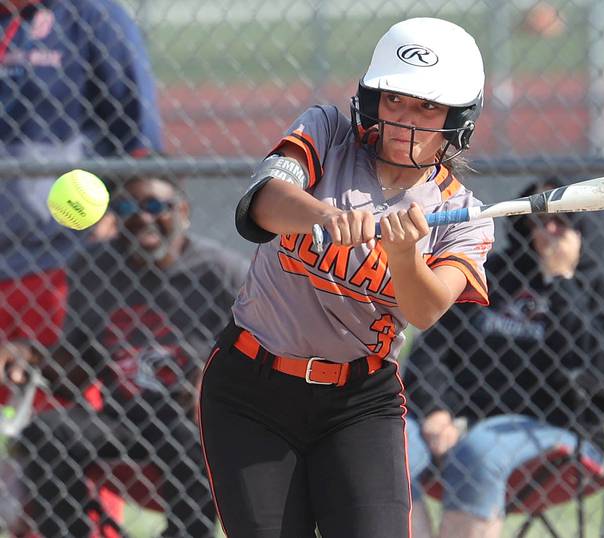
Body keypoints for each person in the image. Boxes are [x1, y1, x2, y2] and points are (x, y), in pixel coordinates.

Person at [198, 17, 494, 538]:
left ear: (458, 120)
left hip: (360, 403)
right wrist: (325, 219)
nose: (405, 119)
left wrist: (404, 256)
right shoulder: (328, 132)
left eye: (427, 107)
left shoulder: (464, 217)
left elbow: (425, 312)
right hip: (251, 390)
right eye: (394, 99)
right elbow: (262, 203)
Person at [403, 179, 604, 538]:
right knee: (392, 444)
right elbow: (434, 349)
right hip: (463, 420)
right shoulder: (494, 275)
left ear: (585, 226)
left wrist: (561, 281)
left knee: (480, 451)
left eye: (563, 221)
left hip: (563, 431)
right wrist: (435, 410)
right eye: (539, 221)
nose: (549, 231)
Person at [2, 174, 248, 537]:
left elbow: (261, 343)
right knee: (47, 432)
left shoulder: (221, 271)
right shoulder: (94, 266)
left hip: (186, 415)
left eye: (155, 207)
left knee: (198, 442)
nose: (142, 218)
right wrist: (31, 357)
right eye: (128, 208)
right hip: (118, 415)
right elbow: (77, 370)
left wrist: (215, 381)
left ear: (183, 211)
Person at [0, 0, 162, 367]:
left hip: (60, 256)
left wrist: (121, 212)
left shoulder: (94, 14)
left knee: (59, 406)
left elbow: (139, 141)